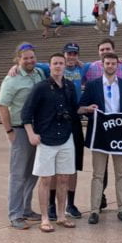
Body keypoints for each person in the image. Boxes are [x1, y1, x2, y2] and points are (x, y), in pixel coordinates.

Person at [22, 53, 80, 233]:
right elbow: (26, 112)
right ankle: (45, 217)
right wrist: (31, 133)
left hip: (65, 137)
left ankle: (62, 216)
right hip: (46, 138)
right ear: (50, 65)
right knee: (46, 179)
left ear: (65, 66)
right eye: (55, 63)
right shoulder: (40, 88)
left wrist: (86, 109)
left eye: (61, 63)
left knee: (64, 177)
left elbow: (74, 109)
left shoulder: (69, 86)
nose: (58, 66)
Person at [78, 52, 122, 224]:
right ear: (102, 65)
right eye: (107, 63)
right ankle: (94, 210)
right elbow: (80, 107)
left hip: (119, 135)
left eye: (113, 63)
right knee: (98, 173)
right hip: (100, 134)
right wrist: (88, 108)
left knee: (121, 173)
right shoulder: (93, 85)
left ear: (117, 65)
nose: (110, 66)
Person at [0, 43, 45, 229]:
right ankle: (15, 214)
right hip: (19, 130)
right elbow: (2, 106)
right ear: (18, 59)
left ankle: (26, 208)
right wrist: (9, 131)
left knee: (33, 172)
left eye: (32, 57)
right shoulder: (11, 80)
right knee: (18, 175)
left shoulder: (39, 73)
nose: (30, 61)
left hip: (37, 129)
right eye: (25, 58)